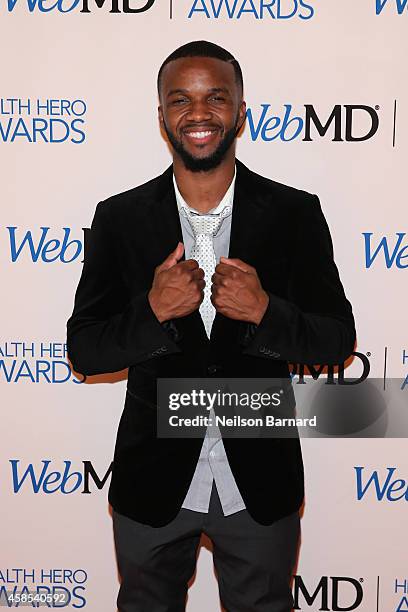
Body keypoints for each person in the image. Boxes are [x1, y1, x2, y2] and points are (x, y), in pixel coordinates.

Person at [66, 40, 356, 612]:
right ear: (162, 116)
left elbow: (337, 339)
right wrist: (152, 310)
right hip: (152, 485)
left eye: (216, 98)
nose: (199, 114)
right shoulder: (119, 218)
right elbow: (85, 348)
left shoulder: (295, 213)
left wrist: (266, 311)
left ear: (241, 111)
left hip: (259, 484)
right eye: (181, 100)